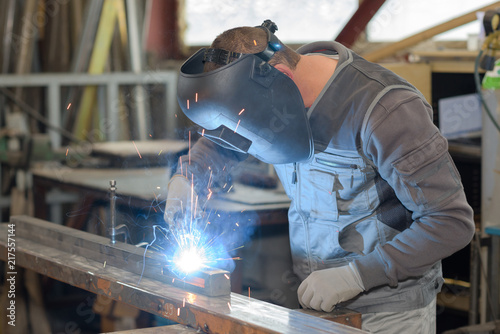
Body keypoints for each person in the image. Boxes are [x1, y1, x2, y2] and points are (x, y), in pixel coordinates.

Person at [164, 20, 475, 333]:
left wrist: (357, 276)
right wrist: (188, 179)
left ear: (281, 78)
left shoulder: (385, 111)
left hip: (387, 314)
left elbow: (450, 222)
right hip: (316, 307)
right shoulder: (272, 97)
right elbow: (228, 140)